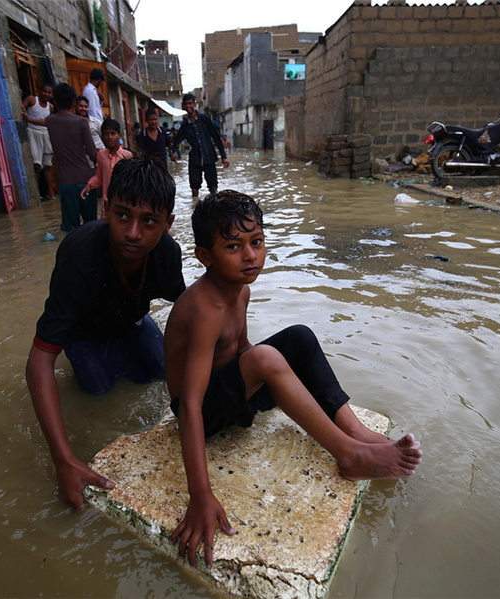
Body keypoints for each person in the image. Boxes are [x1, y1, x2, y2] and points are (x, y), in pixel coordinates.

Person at [163, 191, 423, 566]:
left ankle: (358, 432)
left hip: (227, 395)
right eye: (233, 246)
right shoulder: (205, 307)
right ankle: (348, 454)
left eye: (257, 242)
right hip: (202, 414)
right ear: (204, 256)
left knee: (298, 337)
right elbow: (188, 403)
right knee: (267, 358)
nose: (250, 256)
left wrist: (265, 380)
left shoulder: (240, 290)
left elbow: (241, 349)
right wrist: (200, 494)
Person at [26, 158, 184, 508]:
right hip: (83, 335)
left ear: (168, 225)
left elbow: (190, 310)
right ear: (106, 208)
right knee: (97, 389)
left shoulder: (168, 255)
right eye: (123, 215)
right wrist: (64, 459)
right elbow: (40, 358)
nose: (132, 233)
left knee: (160, 374)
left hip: (133, 323)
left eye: (149, 222)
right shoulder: (79, 254)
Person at [44, 83, 96, 232]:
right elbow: (92, 153)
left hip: (65, 182)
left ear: (54, 101)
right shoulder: (81, 122)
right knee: (91, 226)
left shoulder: (50, 121)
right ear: (73, 101)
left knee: (71, 229)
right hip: (85, 180)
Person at [171, 93, 229, 198]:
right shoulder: (184, 125)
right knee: (194, 188)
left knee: (213, 188)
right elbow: (176, 141)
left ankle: (213, 208)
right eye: (186, 104)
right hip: (194, 160)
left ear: (195, 104)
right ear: (183, 106)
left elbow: (216, 138)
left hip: (209, 158)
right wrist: (173, 152)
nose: (189, 106)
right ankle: (195, 207)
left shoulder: (204, 119)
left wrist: (224, 157)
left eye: (190, 103)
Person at [81, 119, 133, 221]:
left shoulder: (127, 155)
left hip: (124, 200)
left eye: (113, 133)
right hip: (107, 201)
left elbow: (132, 180)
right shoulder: (101, 155)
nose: (109, 137)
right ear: (102, 137)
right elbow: (99, 177)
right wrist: (89, 185)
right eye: (106, 134)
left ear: (119, 135)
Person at [21, 84, 54, 201]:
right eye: (45, 91)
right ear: (40, 91)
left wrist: (29, 119)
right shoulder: (32, 99)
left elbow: (47, 122)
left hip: (46, 135)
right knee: (36, 165)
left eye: (49, 93)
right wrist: (25, 114)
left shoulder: (50, 107)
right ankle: (36, 194)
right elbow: (21, 107)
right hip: (33, 133)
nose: (47, 94)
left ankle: (50, 193)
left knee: (48, 166)